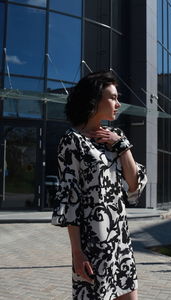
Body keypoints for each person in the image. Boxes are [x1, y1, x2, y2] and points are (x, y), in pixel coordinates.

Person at [52, 71, 147, 300]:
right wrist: (77, 252)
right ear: (94, 100)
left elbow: (134, 185)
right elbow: (69, 197)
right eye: (113, 97)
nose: (118, 103)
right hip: (94, 245)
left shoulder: (116, 136)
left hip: (121, 241)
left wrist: (123, 146)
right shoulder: (72, 140)